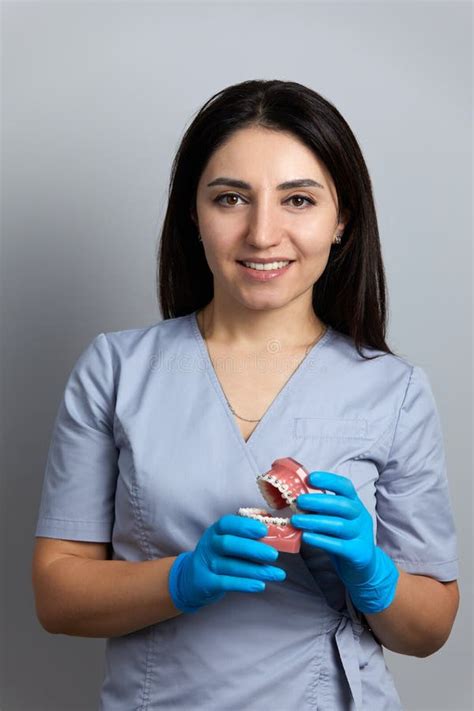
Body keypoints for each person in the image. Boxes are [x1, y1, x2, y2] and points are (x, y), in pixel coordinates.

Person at [32, 79, 460, 710]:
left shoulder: (392, 391)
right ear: (192, 213)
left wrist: (374, 572)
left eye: (299, 200)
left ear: (341, 220)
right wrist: (179, 579)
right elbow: (56, 596)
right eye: (231, 198)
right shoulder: (116, 369)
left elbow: (430, 630)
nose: (263, 234)